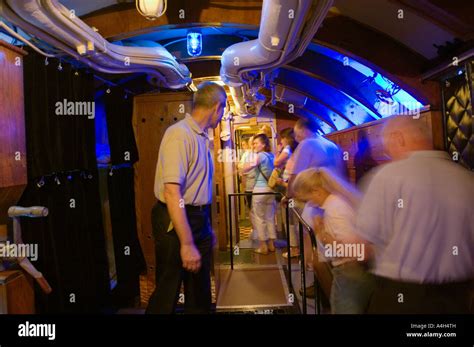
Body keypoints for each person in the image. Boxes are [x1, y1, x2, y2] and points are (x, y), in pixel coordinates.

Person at [356, 115, 474, 314]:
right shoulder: (467, 178)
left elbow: (362, 247)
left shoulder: (388, 176)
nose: (387, 153)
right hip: (460, 298)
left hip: (403, 297)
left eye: (387, 147)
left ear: (398, 138)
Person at [146, 82, 227, 314]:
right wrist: (187, 243)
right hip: (175, 216)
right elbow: (173, 192)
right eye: (222, 112)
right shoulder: (179, 135)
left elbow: (199, 188)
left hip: (198, 217)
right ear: (217, 107)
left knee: (200, 291)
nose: (221, 117)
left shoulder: (202, 137)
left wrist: (206, 227)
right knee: (168, 288)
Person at [292, 167, 374, 314]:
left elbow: (352, 251)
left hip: (349, 273)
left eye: (308, 199)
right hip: (350, 273)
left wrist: (323, 235)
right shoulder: (334, 204)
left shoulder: (335, 210)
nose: (309, 204)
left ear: (317, 191)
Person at [286, 117, 345, 297]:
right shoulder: (332, 145)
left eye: (297, 135)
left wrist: (287, 196)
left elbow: (295, 175)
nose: (296, 139)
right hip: (334, 199)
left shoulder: (307, 144)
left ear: (303, 130)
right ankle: (332, 286)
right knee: (329, 243)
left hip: (315, 199)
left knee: (312, 242)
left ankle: (317, 285)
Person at [242, 133, 276, 254]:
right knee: (270, 217)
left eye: (256, 143)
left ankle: (263, 246)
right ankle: (272, 244)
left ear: (263, 144)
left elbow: (247, 168)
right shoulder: (272, 155)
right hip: (271, 190)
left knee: (259, 218)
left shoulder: (260, 155)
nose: (254, 145)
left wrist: (242, 167)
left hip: (259, 190)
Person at [273, 128, 299, 258]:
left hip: (290, 191)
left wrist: (278, 150)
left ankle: (295, 250)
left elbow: (276, 162)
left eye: (282, 138)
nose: (281, 140)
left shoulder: (288, 150)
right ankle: (297, 249)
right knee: (293, 222)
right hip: (292, 191)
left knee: (291, 222)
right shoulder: (296, 151)